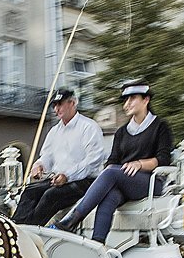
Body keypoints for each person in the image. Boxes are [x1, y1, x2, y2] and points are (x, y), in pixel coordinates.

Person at [52, 81, 174, 244]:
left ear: (146, 100)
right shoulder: (122, 132)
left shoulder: (160, 126)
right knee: (110, 195)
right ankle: (97, 243)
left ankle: (72, 220)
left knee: (110, 173)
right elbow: (113, 160)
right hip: (122, 180)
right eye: (125, 100)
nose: (127, 103)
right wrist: (108, 175)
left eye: (132, 98)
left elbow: (164, 159)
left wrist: (139, 164)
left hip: (150, 181)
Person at [13, 88, 105, 226]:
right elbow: (47, 156)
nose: (56, 109)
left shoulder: (89, 127)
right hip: (58, 180)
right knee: (29, 192)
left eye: (60, 104)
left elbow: (93, 161)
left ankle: (29, 230)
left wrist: (67, 175)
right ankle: (16, 228)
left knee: (50, 196)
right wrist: (39, 166)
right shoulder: (54, 131)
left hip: (86, 181)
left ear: (72, 103)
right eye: (54, 105)